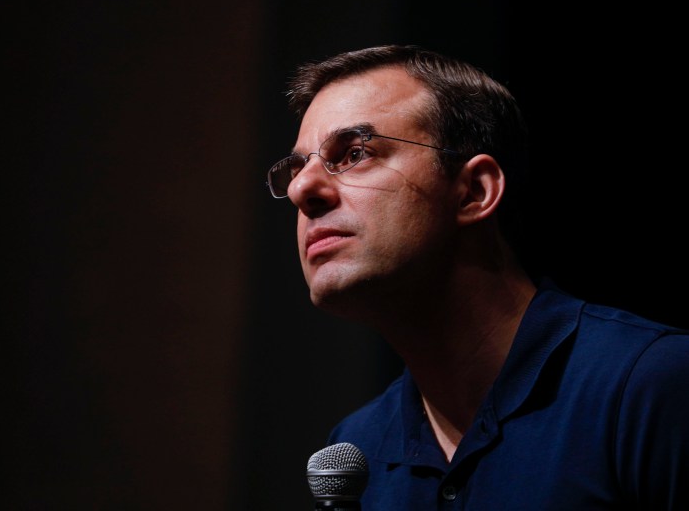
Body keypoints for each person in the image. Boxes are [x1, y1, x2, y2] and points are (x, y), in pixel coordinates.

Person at [265, 44, 689, 509]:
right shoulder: (357, 448)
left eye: (354, 153)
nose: (302, 188)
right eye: (298, 167)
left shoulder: (651, 385)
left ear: (474, 191)